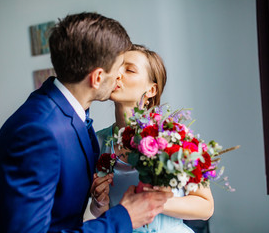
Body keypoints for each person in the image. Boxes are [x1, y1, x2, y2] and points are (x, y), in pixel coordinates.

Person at [0, 13, 173, 233]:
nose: (119, 79)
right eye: (118, 69)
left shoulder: (73, 118)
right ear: (97, 78)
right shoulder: (38, 131)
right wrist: (124, 217)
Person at [90, 44, 214, 233]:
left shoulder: (175, 135)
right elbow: (102, 215)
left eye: (129, 69)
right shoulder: (97, 142)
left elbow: (206, 208)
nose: (117, 74)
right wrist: (100, 202)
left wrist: (153, 201)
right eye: (116, 67)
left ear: (151, 90)